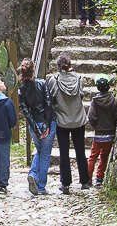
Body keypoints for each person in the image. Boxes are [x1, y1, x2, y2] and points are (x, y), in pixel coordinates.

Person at [47, 52, 91, 193]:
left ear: (58, 66)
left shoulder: (54, 80)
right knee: (80, 150)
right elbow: (81, 95)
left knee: (64, 152)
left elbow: (52, 98)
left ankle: (65, 183)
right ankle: (85, 181)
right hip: (78, 119)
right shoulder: (79, 79)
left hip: (62, 121)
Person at [18, 57, 56, 195]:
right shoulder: (42, 83)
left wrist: (36, 128)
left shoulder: (21, 89)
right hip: (46, 122)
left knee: (39, 151)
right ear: (34, 69)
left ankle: (33, 174)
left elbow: (26, 112)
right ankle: (40, 186)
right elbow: (48, 104)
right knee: (45, 154)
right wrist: (46, 126)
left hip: (33, 125)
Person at [87, 75, 117, 186]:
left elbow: (91, 117)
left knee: (92, 157)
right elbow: (116, 117)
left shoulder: (95, 101)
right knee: (104, 157)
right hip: (110, 134)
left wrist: (96, 126)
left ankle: (88, 179)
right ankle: (99, 179)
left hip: (98, 135)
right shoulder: (115, 101)